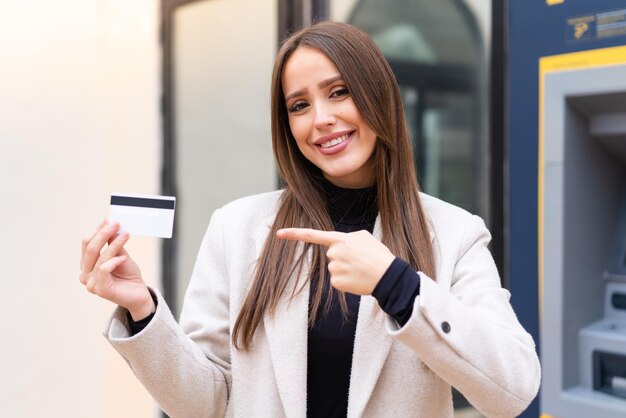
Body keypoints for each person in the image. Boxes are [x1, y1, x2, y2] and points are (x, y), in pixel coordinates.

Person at [80, 21, 540, 418]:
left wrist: (396, 284)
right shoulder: (237, 228)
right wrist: (142, 310)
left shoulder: (454, 233)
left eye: (339, 92)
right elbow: (205, 404)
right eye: (299, 105)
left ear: (379, 95)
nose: (320, 119)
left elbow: (513, 391)